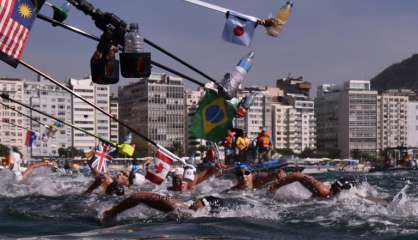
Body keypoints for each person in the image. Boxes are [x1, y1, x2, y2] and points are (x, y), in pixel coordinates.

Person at [103, 192, 225, 220]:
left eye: (200, 200)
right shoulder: (175, 206)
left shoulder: (178, 209)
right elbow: (138, 196)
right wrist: (112, 212)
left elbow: (137, 196)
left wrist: (112, 212)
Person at [268, 170, 358, 199]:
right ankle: (277, 175)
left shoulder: (333, 194)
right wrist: (275, 186)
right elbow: (298, 175)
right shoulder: (322, 191)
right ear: (338, 190)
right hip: (292, 178)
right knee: (281, 175)